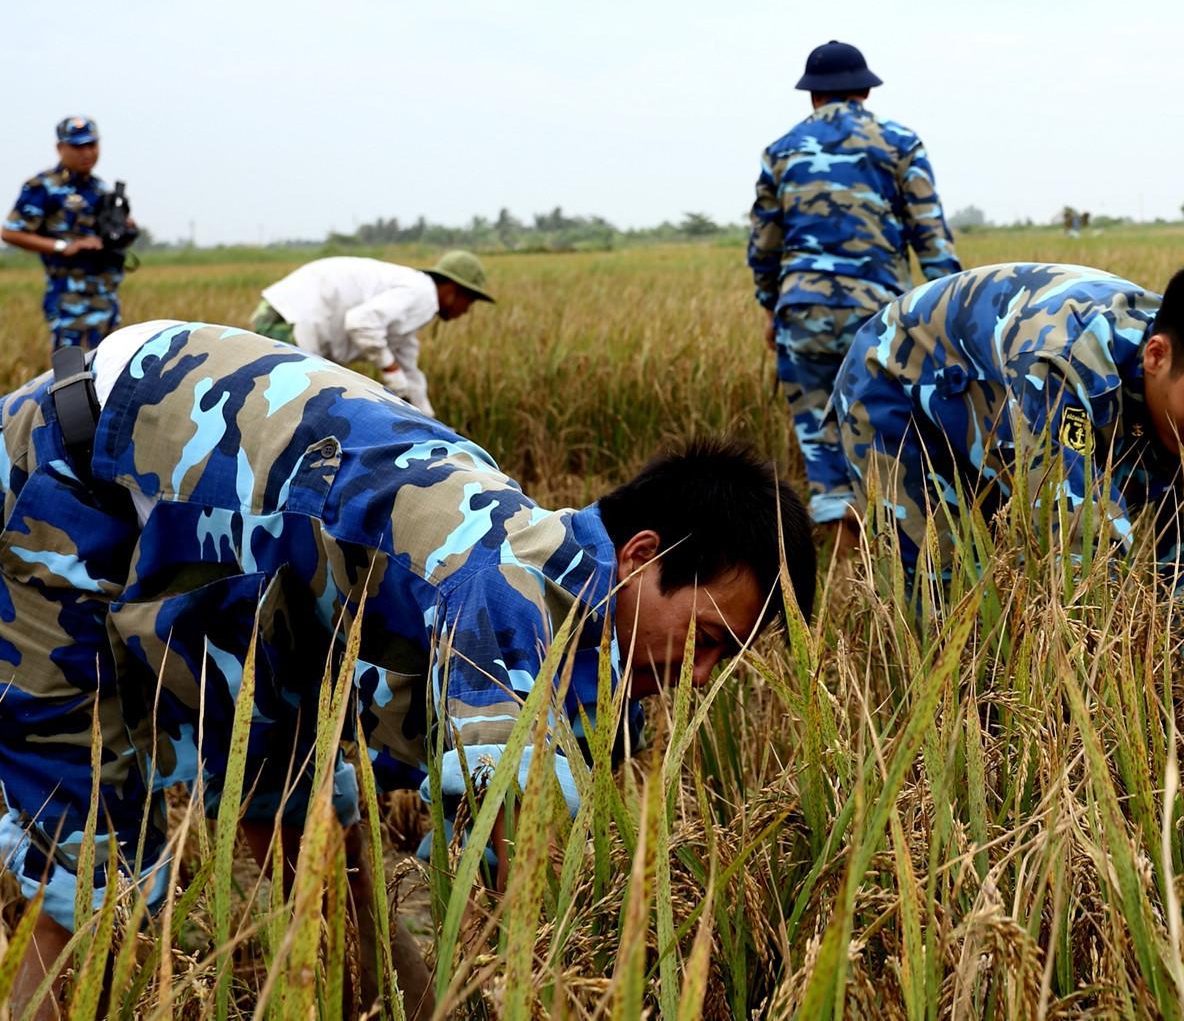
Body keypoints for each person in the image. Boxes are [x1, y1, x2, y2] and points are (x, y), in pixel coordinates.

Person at [0, 321, 815, 1018]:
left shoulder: (570, 603)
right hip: (65, 476)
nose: (703, 674)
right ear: (641, 557)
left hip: (239, 582)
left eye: (728, 657)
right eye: (706, 636)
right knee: (89, 875)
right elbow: (522, 852)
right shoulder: (496, 576)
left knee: (303, 809)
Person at [830, 257, 1184, 587]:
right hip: (898, 382)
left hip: (998, 397)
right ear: (1157, 356)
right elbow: (1080, 545)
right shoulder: (1063, 363)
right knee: (940, 584)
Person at [748, 40, 962, 526]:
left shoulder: (781, 151)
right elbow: (930, 237)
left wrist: (769, 309)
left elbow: (764, 245)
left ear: (812, 97)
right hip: (880, 315)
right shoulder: (900, 142)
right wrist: (949, 317)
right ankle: (894, 551)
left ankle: (843, 554)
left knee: (818, 434)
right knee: (889, 431)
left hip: (802, 313)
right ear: (866, 89)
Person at [250, 250, 491, 418]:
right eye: (468, 303)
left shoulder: (417, 299)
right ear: (453, 291)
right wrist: (389, 368)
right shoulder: (422, 294)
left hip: (286, 312)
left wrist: (428, 417)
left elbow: (408, 366)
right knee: (294, 409)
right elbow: (360, 322)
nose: (465, 312)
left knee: (304, 402)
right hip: (285, 318)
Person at [2, 116, 137, 351]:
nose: (86, 153)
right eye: (77, 146)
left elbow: (108, 240)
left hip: (106, 298)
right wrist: (63, 247)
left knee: (105, 374)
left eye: (92, 145)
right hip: (70, 301)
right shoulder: (43, 186)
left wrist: (124, 231)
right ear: (60, 148)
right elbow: (11, 232)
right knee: (71, 379)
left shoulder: (101, 189)